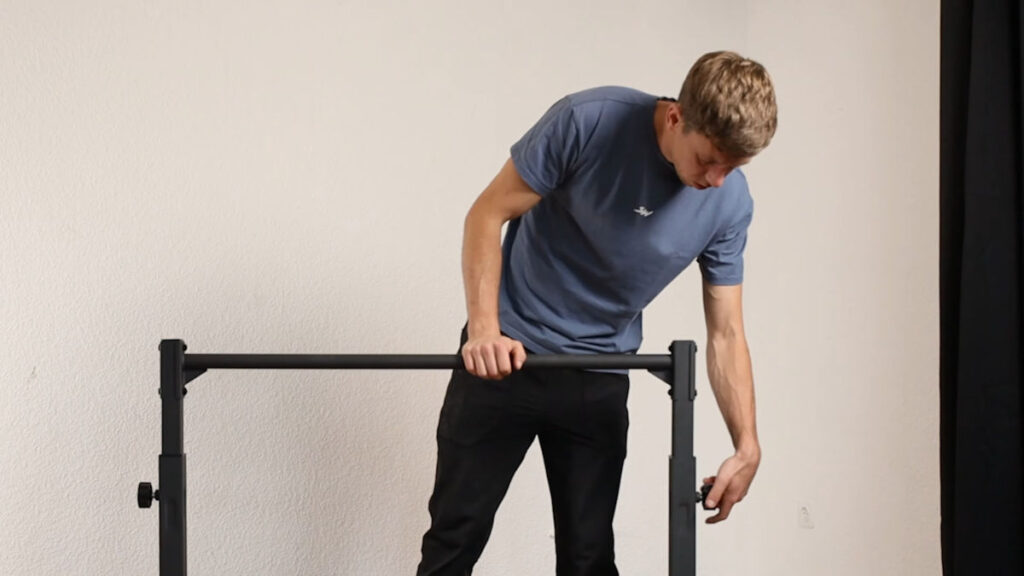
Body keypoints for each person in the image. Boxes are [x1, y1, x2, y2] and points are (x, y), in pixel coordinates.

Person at [417, 50, 778, 576]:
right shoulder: (588, 121)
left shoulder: (729, 202)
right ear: (676, 117)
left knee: (589, 559)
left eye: (734, 166)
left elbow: (725, 333)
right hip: (506, 356)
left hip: (599, 374)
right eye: (707, 159)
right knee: (456, 535)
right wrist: (484, 331)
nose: (717, 179)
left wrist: (747, 445)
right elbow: (487, 213)